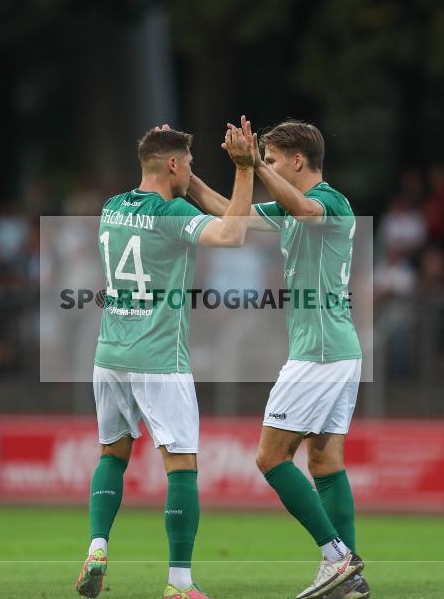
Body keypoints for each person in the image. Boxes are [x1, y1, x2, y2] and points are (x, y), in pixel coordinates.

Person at [188, 117, 368, 599]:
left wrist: (253, 167)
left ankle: (337, 557)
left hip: (322, 352)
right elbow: (233, 215)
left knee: (270, 457)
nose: (265, 167)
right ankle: (349, 580)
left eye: (271, 160)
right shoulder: (294, 208)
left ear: (297, 161)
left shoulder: (330, 201)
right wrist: (190, 183)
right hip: (335, 349)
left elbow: (306, 210)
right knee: (325, 460)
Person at [76, 123, 256, 599]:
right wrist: (243, 169)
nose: (192, 171)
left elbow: (164, 178)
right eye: (189, 164)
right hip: (158, 357)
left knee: (112, 454)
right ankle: (179, 583)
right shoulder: (173, 213)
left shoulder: (112, 208)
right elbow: (233, 232)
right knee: (181, 466)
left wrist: (175, 164)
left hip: (109, 352)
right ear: (175, 165)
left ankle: (97, 546)